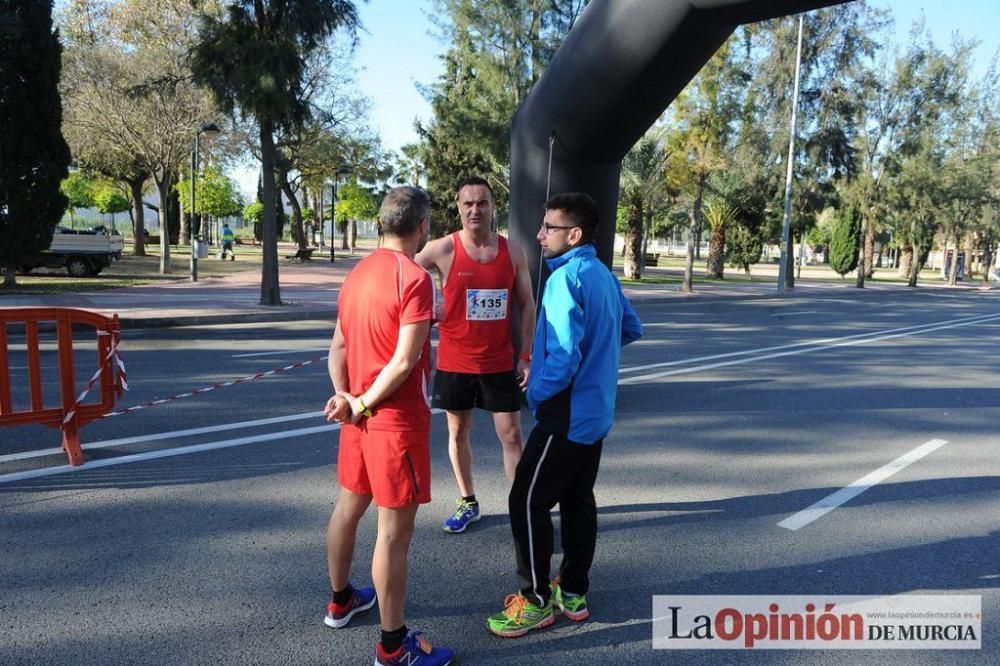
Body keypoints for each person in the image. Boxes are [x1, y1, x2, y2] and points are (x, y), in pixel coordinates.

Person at [487, 192, 642, 638]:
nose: (539, 235)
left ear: (573, 235)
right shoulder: (602, 275)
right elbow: (631, 328)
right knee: (577, 499)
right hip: (594, 414)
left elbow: (564, 359)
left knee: (525, 500)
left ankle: (535, 601)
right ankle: (573, 592)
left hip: (566, 414)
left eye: (548, 228)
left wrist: (535, 392)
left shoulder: (563, 280)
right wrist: (600, 357)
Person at [323, 186, 454, 666]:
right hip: (394, 424)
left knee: (347, 510)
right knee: (393, 536)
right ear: (422, 227)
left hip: (357, 419)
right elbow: (404, 362)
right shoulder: (415, 278)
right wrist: (359, 401)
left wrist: (345, 396)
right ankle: (394, 648)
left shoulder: (356, 273)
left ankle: (341, 601)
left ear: (381, 223)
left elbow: (337, 348)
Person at [415, 176, 536, 534]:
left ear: (493, 206)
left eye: (481, 202)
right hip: (456, 361)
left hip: (499, 361)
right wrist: (428, 303)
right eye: (467, 203)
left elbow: (527, 305)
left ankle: (521, 507)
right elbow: (403, 270)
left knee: (511, 434)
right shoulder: (443, 249)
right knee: (458, 431)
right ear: (458, 207)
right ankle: (468, 501)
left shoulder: (512, 251)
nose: (475, 209)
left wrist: (526, 355)